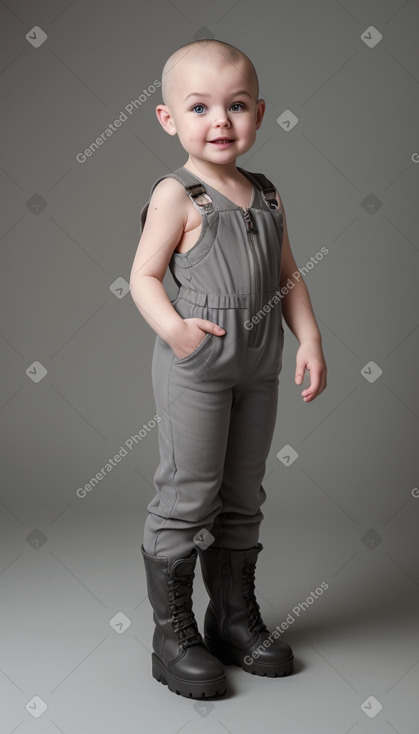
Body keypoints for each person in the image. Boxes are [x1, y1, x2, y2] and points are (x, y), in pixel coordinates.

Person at [129, 38, 327, 700]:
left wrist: (308, 339)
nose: (220, 121)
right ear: (168, 120)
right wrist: (175, 329)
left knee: (243, 494)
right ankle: (172, 634)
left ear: (258, 114)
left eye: (235, 106)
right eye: (200, 107)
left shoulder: (266, 196)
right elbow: (143, 276)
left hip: (259, 367)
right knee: (188, 492)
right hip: (197, 367)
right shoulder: (176, 196)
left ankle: (233, 619)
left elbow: (289, 277)